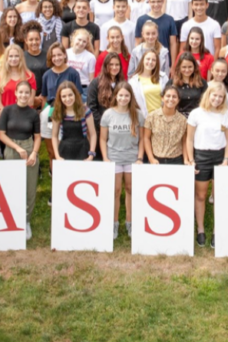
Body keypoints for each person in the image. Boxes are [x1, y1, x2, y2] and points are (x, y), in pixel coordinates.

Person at [186, 82, 228, 248]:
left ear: (224, 99)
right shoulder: (196, 113)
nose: (217, 99)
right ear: (208, 95)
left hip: (219, 157)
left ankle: (217, 231)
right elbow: (189, 139)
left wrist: (226, 160)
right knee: (200, 196)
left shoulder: (225, 114)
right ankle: (200, 230)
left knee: (218, 197)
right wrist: (192, 160)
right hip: (201, 156)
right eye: (214, 95)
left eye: (220, 97)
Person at [99, 82, 144, 240]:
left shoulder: (137, 114)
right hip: (114, 158)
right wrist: (105, 158)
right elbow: (103, 138)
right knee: (115, 191)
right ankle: (114, 223)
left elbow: (142, 140)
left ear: (131, 97)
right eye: (121, 95)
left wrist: (140, 157)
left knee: (131, 190)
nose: (123, 98)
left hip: (132, 158)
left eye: (126, 95)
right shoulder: (108, 114)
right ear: (115, 96)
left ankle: (130, 222)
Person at [0, 81, 41, 231]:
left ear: (30, 95)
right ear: (16, 93)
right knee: (11, 186)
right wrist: (16, 147)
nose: (23, 95)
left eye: (26, 93)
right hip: (11, 149)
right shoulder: (7, 111)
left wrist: (34, 153)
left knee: (29, 188)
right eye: (21, 92)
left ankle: (26, 221)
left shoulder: (33, 113)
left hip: (29, 148)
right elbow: (1, 135)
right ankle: (11, 220)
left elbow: (37, 137)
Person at [50, 81, 97, 162]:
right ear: (60, 98)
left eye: (70, 95)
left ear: (75, 94)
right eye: (64, 96)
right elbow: (54, 136)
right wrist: (57, 156)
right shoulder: (58, 112)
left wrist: (91, 155)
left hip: (83, 150)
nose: (67, 99)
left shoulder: (85, 111)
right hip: (64, 151)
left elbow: (93, 134)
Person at [142, 86, 189, 165]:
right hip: (156, 160)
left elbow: (184, 141)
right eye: (168, 96)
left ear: (178, 100)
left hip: (176, 160)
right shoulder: (152, 117)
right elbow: (146, 138)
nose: (171, 99)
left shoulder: (183, 120)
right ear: (162, 98)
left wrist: (186, 160)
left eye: (174, 97)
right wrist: (151, 158)